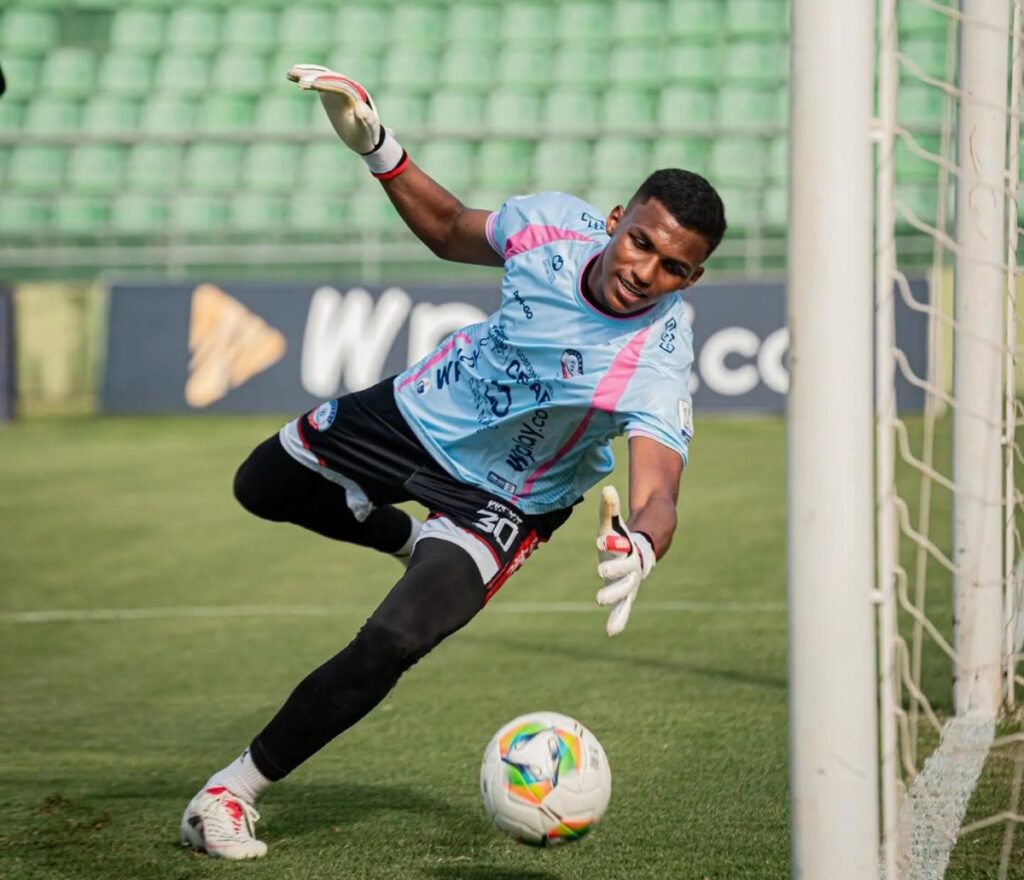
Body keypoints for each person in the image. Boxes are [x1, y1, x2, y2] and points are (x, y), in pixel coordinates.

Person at [180, 64, 726, 860]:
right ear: (615, 220)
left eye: (672, 267)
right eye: (640, 241)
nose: (644, 272)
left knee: (394, 641)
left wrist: (643, 542)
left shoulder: (657, 359)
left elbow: (658, 489)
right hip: (415, 412)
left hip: (507, 496)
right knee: (259, 486)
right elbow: (445, 229)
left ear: (692, 278)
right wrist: (378, 146)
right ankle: (403, 538)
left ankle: (230, 792)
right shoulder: (547, 228)